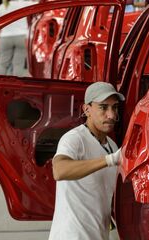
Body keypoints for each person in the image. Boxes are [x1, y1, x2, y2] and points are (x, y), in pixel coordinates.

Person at [49, 82, 124, 240]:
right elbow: (59, 170)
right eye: (103, 107)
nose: (111, 115)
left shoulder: (111, 145)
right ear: (87, 109)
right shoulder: (74, 139)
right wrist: (110, 160)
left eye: (115, 107)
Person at [0, 0, 36, 76]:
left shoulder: (3, 7)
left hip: (5, 38)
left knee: (3, 64)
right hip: (21, 37)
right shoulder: (26, 4)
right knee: (18, 64)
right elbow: (41, 3)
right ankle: (15, 86)